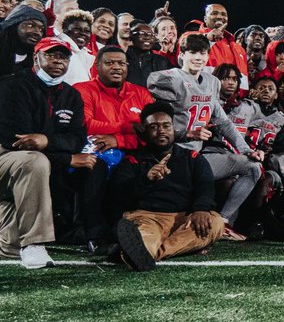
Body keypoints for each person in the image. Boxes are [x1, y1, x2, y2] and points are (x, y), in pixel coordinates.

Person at [147, 34, 265, 238]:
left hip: (197, 158)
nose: (198, 57)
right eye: (192, 52)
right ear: (182, 54)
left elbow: (223, 122)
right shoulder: (171, 78)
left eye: (202, 52)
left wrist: (247, 150)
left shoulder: (212, 82)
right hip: (172, 156)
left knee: (253, 167)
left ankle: (224, 222)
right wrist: (186, 134)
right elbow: (157, 126)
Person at [107, 102, 226, 270]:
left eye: (166, 126)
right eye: (154, 127)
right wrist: (146, 179)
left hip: (183, 218)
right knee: (145, 237)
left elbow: (205, 185)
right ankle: (147, 249)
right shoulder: (132, 160)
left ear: (173, 129)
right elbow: (118, 194)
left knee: (215, 222)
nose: (161, 131)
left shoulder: (192, 157)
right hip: (147, 217)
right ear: (144, 131)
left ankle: (137, 253)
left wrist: (201, 208)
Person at [0, 38, 87, 268]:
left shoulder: (71, 95)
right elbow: (17, 141)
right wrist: (66, 157)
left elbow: (78, 139)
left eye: (64, 57)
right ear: (36, 58)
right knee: (34, 162)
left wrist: (47, 140)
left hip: (24, 172)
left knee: (9, 246)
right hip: (5, 156)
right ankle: (34, 244)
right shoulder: (12, 86)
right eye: (51, 55)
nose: (58, 60)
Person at [75, 45, 156, 249]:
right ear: (97, 66)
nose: (116, 67)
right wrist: (128, 127)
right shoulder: (82, 89)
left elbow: (150, 134)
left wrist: (118, 140)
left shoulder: (141, 93)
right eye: (109, 63)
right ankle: (94, 236)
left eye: (121, 63)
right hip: (95, 153)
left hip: (132, 154)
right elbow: (87, 125)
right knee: (96, 166)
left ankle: (131, 231)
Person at [201, 3, 250, 88]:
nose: (220, 17)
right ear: (205, 19)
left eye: (223, 14)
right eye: (214, 13)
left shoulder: (239, 49)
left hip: (234, 100)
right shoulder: (191, 36)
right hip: (204, 97)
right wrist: (207, 38)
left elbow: (243, 83)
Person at [0, 3, 47, 78]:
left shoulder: (36, 65)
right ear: (14, 25)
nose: (37, 33)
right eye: (30, 25)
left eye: (41, 29)